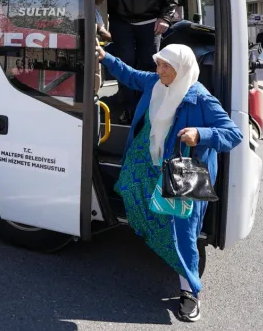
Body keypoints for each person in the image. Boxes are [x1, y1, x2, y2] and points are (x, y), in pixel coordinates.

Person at [96, 41, 242, 322]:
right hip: (149, 159)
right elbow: (129, 75)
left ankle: (189, 292)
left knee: (184, 229)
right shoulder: (156, 83)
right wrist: (105, 57)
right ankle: (155, 238)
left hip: (182, 171)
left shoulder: (199, 97)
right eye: (159, 63)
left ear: (182, 69)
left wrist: (200, 135)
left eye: (166, 66)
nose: (159, 69)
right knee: (129, 189)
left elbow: (232, 134)